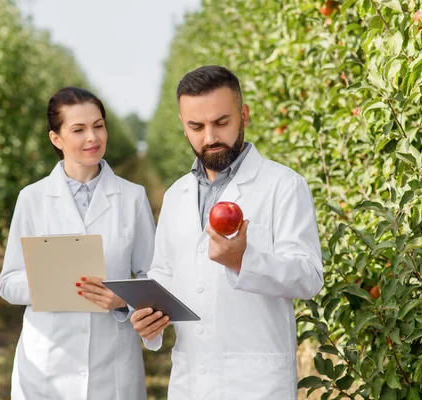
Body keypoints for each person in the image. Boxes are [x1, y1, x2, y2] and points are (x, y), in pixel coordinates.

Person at [131, 65, 324, 399]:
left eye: (221, 122)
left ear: (243, 115)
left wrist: (243, 260)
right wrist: (148, 320)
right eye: (196, 126)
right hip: (190, 381)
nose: (210, 138)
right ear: (183, 125)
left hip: (257, 383)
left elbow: (308, 277)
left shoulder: (283, 185)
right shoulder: (177, 195)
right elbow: (163, 273)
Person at [0, 86, 155, 400]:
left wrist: (121, 299)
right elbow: (8, 283)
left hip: (112, 367)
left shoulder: (133, 197)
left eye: (98, 126)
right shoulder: (32, 199)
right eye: (78, 129)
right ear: (56, 138)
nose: (92, 138)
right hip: (46, 367)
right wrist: (56, 284)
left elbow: (153, 279)